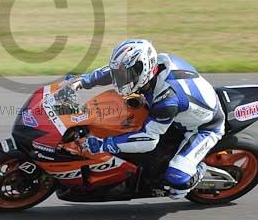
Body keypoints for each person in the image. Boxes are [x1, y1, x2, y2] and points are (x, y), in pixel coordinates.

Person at [67, 39, 224, 199]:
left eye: (126, 76)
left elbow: (149, 140)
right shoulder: (154, 64)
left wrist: (104, 144)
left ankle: (197, 173)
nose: (120, 80)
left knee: (176, 180)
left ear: (144, 69)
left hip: (204, 128)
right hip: (181, 110)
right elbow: (115, 71)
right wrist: (83, 81)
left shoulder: (166, 100)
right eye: (121, 74)